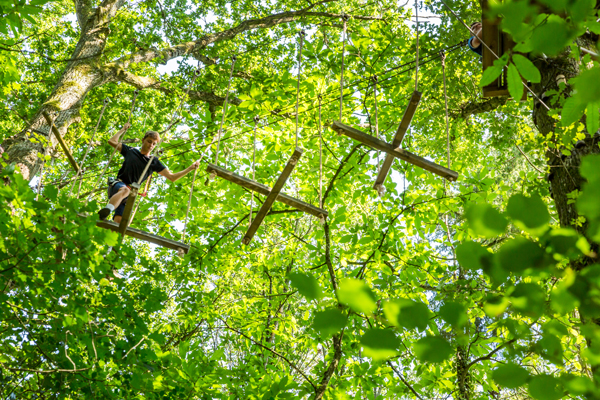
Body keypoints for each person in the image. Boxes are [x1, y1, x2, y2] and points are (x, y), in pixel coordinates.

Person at [98, 123, 200, 222]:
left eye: (154, 144)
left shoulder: (153, 162)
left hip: (129, 193)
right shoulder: (131, 151)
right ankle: (107, 210)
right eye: (149, 141)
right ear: (143, 140)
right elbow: (112, 141)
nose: (151, 145)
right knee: (125, 190)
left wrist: (190, 168)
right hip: (118, 184)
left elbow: (172, 177)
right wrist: (123, 129)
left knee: (120, 221)